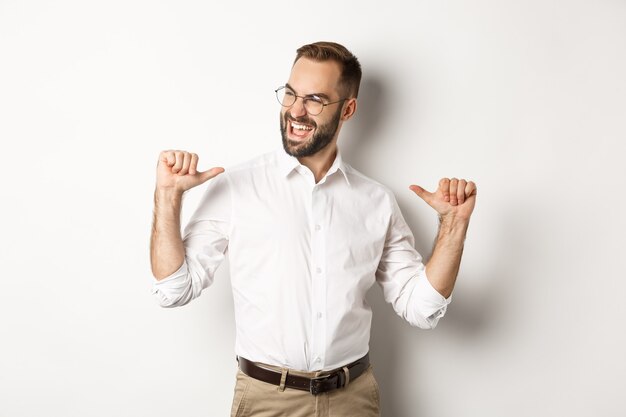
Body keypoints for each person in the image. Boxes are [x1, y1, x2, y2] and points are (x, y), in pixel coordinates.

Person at [150, 41, 476, 417]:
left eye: (315, 100)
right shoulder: (237, 188)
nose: (296, 110)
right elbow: (173, 290)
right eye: (290, 94)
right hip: (266, 400)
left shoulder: (376, 201)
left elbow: (422, 308)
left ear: (348, 109)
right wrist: (168, 197)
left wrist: (454, 226)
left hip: (353, 399)